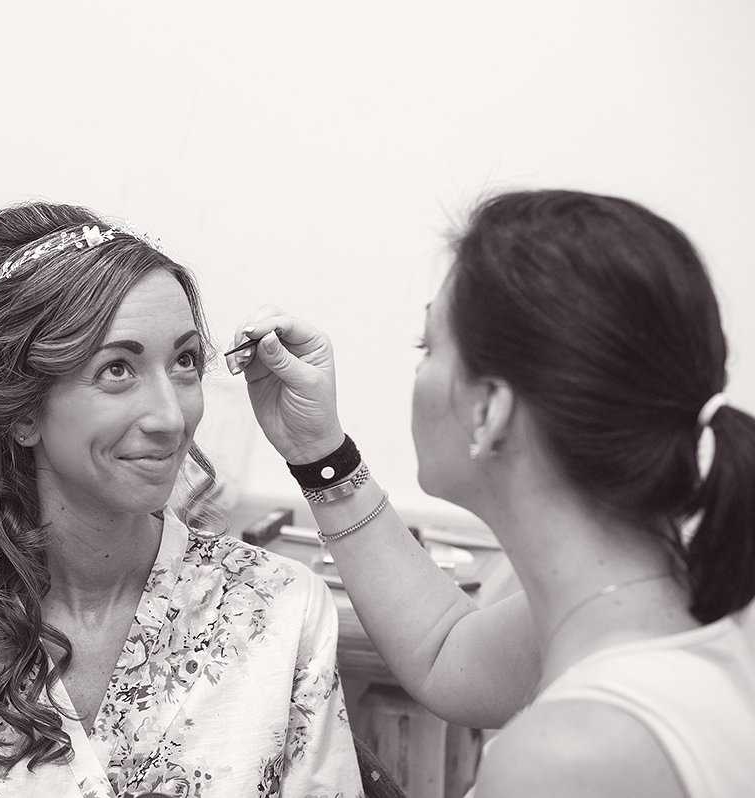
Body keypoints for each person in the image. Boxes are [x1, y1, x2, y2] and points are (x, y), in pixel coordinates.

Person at [0, 202, 362, 798]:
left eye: (184, 362)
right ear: (22, 409)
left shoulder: (279, 611)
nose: (171, 416)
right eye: (118, 370)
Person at [231, 189, 755, 797]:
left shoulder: (572, 759)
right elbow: (445, 650)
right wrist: (320, 452)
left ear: (488, 410)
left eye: (428, 347)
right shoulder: (664, 591)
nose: (420, 370)